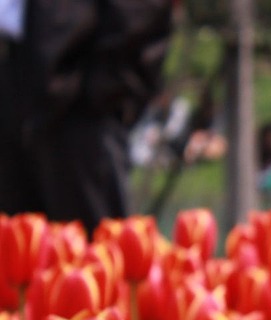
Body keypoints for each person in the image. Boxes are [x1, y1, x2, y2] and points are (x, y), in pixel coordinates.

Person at [0, 0, 173, 231]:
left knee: (94, 250)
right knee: (17, 251)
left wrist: (103, 88)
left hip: (84, 105)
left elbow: (142, 11)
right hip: (16, 76)